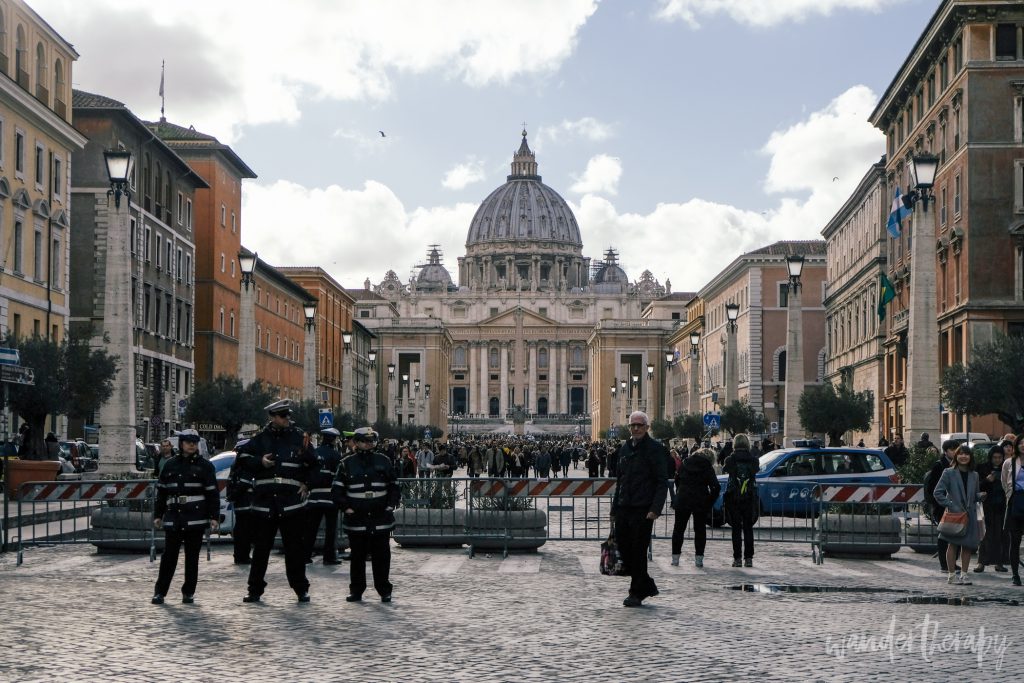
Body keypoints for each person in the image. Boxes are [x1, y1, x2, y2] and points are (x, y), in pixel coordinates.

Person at [236, 399, 317, 604]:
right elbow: (242, 459)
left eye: (288, 415)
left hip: (291, 503)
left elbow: (315, 464)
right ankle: (254, 590)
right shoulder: (259, 439)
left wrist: (307, 484)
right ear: (272, 417)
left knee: (294, 549)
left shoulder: (300, 438)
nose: (287, 419)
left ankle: (301, 589)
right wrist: (260, 462)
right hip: (265, 504)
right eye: (282, 416)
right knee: (261, 550)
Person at [151, 430, 219, 604]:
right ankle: (160, 592)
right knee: (169, 556)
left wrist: (214, 517)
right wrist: (158, 515)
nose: (192, 445)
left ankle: (188, 592)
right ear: (181, 444)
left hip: (196, 517)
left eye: (194, 442)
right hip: (174, 516)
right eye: (188, 442)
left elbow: (212, 493)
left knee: (192, 557)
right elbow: (162, 492)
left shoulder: (205, 466)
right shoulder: (170, 464)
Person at [333, 427, 401, 603]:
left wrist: (390, 506)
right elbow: (337, 489)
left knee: (382, 557)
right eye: (365, 441)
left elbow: (394, 485)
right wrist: (346, 508)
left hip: (380, 517)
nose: (369, 444)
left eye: (372, 441)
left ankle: (384, 590)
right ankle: (356, 591)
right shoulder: (346, 463)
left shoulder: (384, 460)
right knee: (357, 557)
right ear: (356, 442)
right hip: (357, 518)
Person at [610, 411, 669, 607]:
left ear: (646, 427)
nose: (635, 428)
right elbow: (620, 481)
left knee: (638, 550)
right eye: (632, 425)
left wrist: (656, 508)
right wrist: (614, 509)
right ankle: (647, 585)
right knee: (624, 548)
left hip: (643, 508)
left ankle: (635, 593)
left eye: (639, 425)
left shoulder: (656, 449)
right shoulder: (624, 448)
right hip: (624, 506)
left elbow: (662, 481)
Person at [933, 444, 985, 584]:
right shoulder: (948, 472)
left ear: (970, 457)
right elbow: (937, 492)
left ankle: (964, 574)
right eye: (960, 454)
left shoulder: (974, 475)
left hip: (969, 515)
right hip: (955, 515)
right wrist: (950, 505)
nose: (963, 456)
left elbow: (974, 495)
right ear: (956, 456)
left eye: (966, 454)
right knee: (953, 544)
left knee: (967, 546)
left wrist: (980, 496)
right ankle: (951, 575)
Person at [671, 447, 720, 568]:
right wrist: (709, 502)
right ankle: (699, 559)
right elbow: (716, 487)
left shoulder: (685, 463)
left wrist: (679, 492)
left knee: (678, 529)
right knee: (700, 530)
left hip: (683, 498)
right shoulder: (707, 467)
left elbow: (677, 479)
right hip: (700, 501)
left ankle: (675, 558)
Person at [305, 427, 342, 566]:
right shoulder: (336, 455)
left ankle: (305, 555)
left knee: (311, 528)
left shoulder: (314, 453)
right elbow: (338, 476)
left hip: (314, 497)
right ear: (333, 440)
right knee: (331, 530)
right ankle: (329, 557)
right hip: (330, 497)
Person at [722, 433, 759, 567]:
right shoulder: (754, 460)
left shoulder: (730, 459)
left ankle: (737, 558)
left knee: (736, 529)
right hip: (749, 496)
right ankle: (748, 558)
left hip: (734, 496)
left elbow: (725, 469)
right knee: (748, 528)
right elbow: (755, 471)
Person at [975, 443, 1009, 574]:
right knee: (984, 535)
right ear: (990, 457)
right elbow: (976, 486)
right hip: (986, 506)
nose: (997, 460)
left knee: (1000, 535)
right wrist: (986, 481)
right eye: (995, 457)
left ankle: (999, 562)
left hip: (1001, 506)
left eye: (999, 457)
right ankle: (981, 562)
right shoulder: (982, 468)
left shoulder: (1006, 468)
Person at [925, 440, 958, 572]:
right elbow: (932, 488)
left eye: (956, 449)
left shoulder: (958, 465)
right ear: (945, 451)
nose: (955, 452)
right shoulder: (939, 465)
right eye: (952, 449)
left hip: (955, 506)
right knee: (944, 535)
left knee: (956, 535)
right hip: (941, 506)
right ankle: (944, 564)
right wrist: (939, 503)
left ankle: (953, 562)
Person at [225, 438, 255, 564]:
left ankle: (240, 555)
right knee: (245, 531)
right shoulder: (245, 465)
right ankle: (242, 556)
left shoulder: (237, 465)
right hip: (246, 503)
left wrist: (232, 496)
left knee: (241, 530)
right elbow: (244, 483)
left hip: (241, 503)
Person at [1001, 435, 1024, 586]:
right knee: (1014, 541)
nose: (1023, 445)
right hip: (1015, 502)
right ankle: (1015, 575)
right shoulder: (1009, 462)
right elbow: (1004, 482)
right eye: (1021, 443)